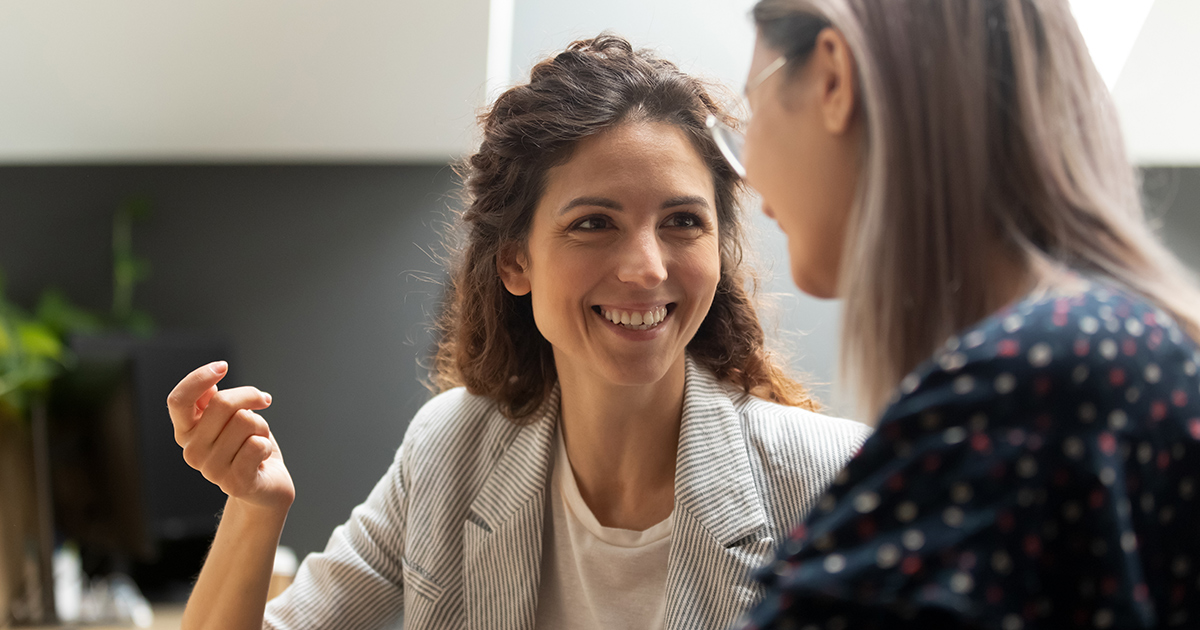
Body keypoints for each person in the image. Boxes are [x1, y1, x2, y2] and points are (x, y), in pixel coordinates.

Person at [165, 35, 870, 630]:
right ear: (515, 261)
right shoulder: (450, 452)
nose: (646, 268)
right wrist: (256, 509)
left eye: (684, 222)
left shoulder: (831, 482)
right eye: (594, 223)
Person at [704, 1, 1200, 628]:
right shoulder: (1109, 353)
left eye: (754, 107)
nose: (749, 173)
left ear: (833, 79)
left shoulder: (1032, 383)